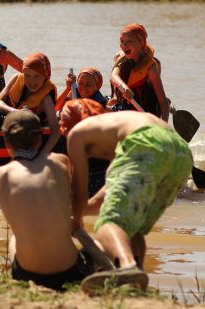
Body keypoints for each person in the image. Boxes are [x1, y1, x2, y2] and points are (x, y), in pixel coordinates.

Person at [65, 107, 193, 292]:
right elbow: (108, 192)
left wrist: (76, 221)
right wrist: (83, 211)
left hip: (148, 141)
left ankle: (127, 267)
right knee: (132, 225)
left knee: (109, 224)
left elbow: (79, 193)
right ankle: (135, 279)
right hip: (180, 152)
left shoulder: (76, 133)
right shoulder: (119, 127)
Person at [0, 110, 93, 291]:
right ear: (39, 140)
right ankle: (114, 270)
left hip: (26, 274)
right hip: (70, 273)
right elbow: (74, 200)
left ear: (6, 142)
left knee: (15, 236)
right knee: (101, 235)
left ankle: (17, 281)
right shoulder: (60, 161)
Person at [109, 23, 169, 121]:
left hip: (145, 112)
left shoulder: (151, 69)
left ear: (141, 42)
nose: (124, 45)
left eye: (129, 41)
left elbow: (163, 101)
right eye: (122, 41)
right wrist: (124, 88)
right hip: (125, 108)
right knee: (107, 106)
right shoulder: (120, 59)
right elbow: (113, 76)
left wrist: (164, 125)